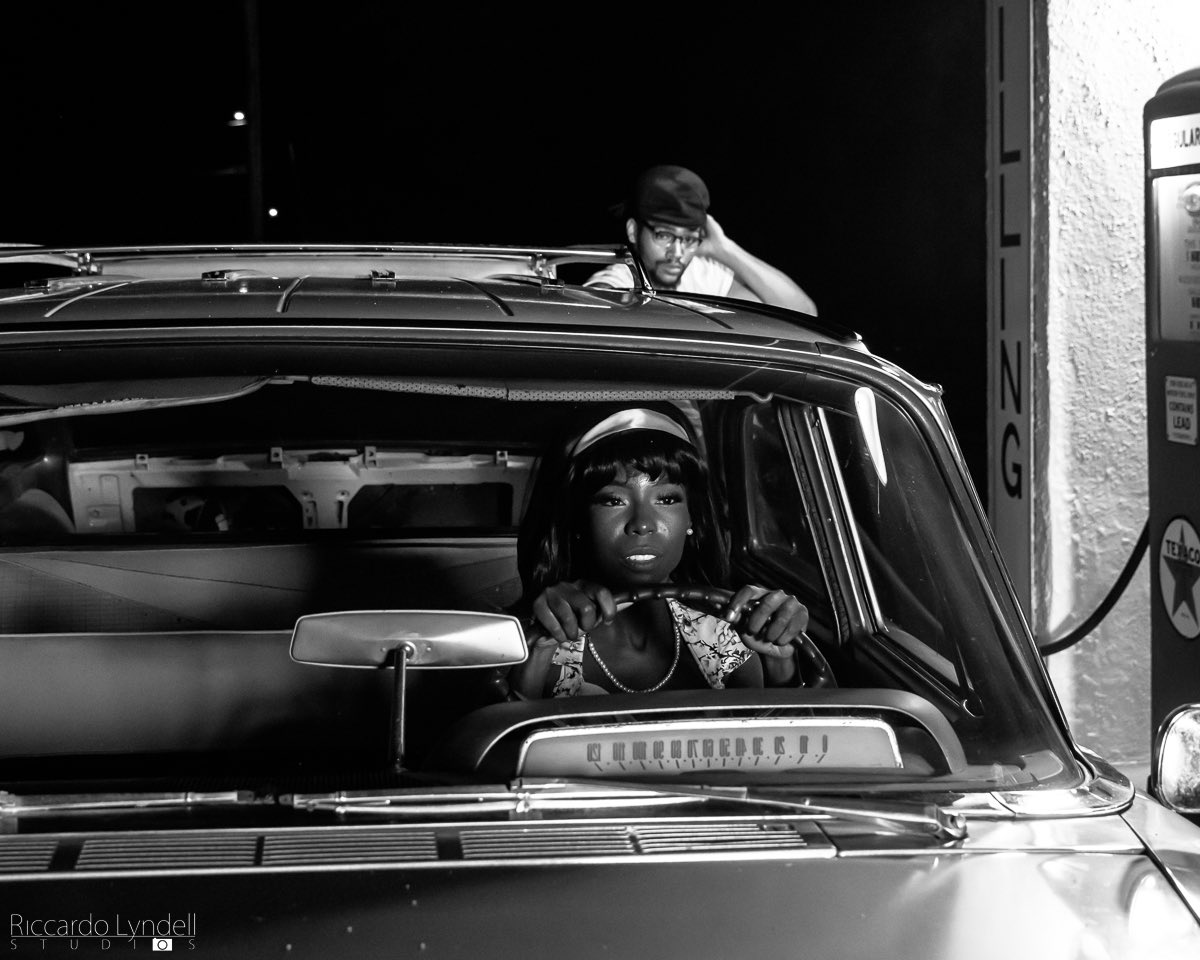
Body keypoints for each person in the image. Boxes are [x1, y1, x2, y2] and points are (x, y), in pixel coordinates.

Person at [508, 406, 810, 699]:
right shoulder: (535, 638)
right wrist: (536, 655)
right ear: (577, 521)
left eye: (666, 499)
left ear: (691, 518)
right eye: (613, 501)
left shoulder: (724, 639)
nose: (642, 524)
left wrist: (780, 662)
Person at [585, 165, 818, 315]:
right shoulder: (616, 282)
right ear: (634, 231)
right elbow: (595, 308)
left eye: (688, 239)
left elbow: (803, 312)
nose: (677, 252)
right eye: (664, 235)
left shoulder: (704, 276)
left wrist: (724, 249)